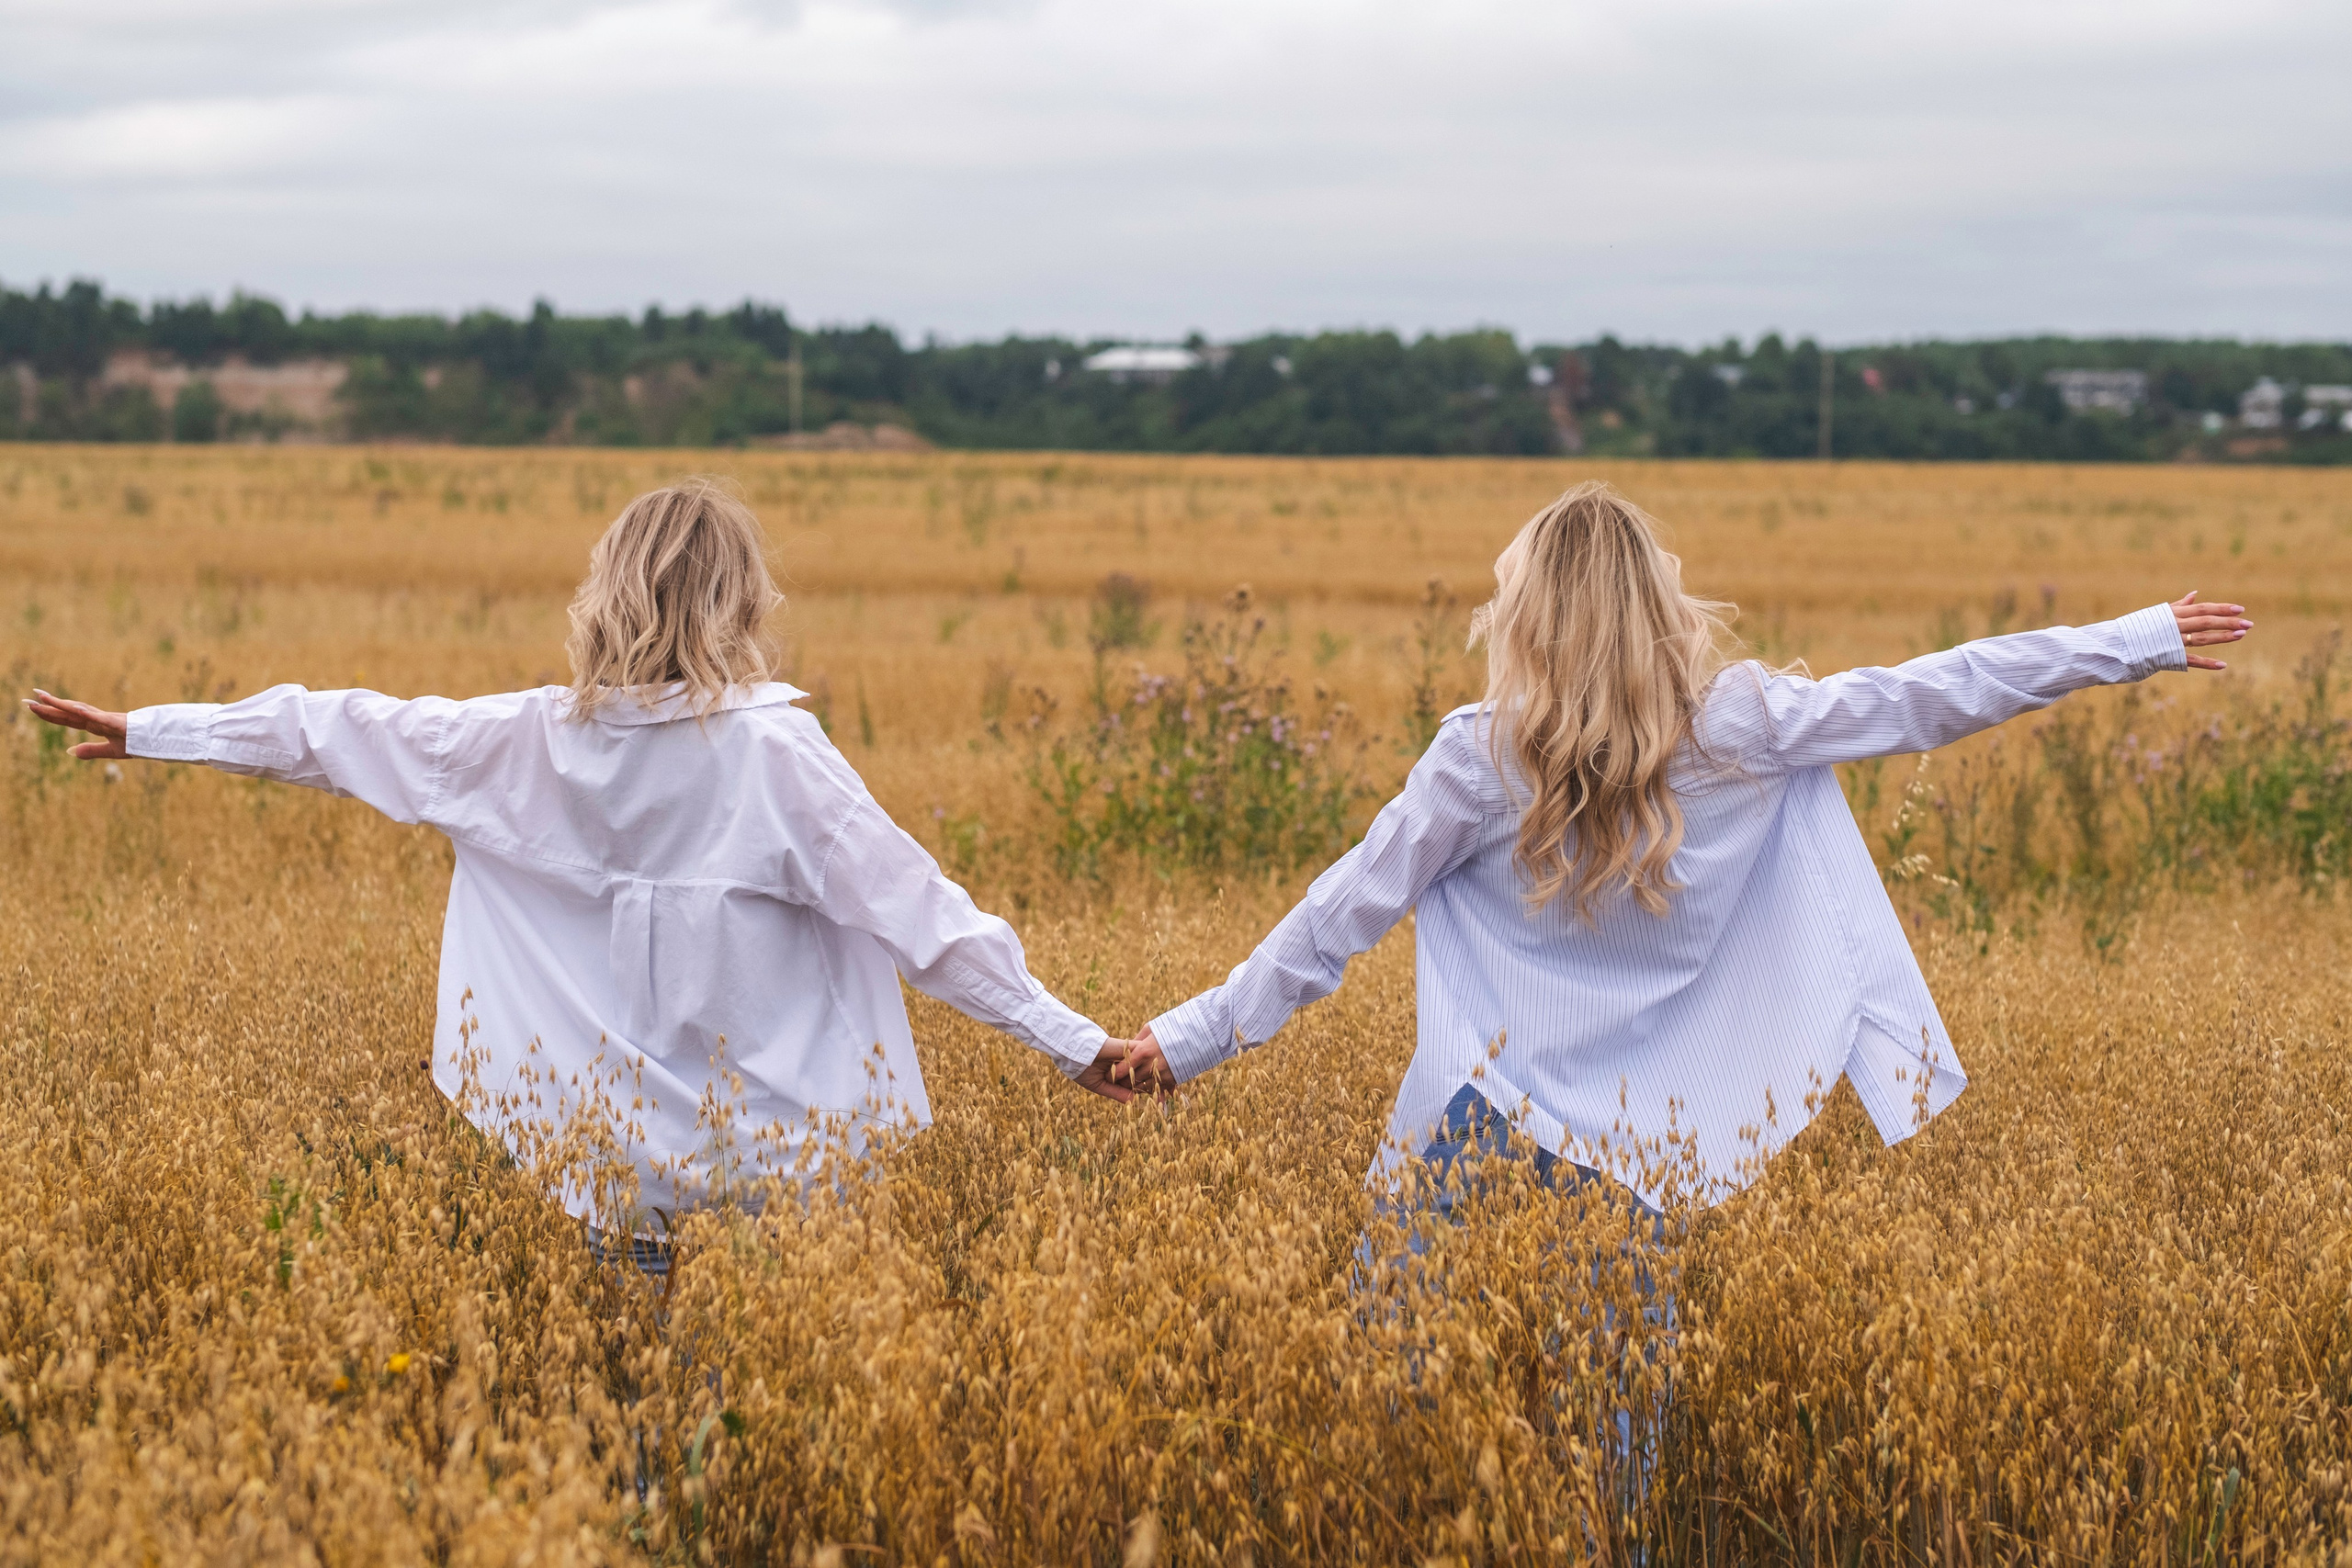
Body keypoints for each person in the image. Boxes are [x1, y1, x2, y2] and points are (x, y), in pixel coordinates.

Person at [28, 479, 1135, 1269]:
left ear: (607, 595)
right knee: (766, 1452)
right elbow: (927, 924)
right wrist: (1075, 1043)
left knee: (638, 1448)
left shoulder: (528, 742)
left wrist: (159, 730)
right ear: (742, 604)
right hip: (789, 1188)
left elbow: (336, 730)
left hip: (614, 1181)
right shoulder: (775, 755)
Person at [1113, 479, 2250, 1219]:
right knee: (1608, 1473)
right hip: (1639, 1170)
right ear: (1655, 607)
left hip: (1468, 1141)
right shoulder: (1739, 729)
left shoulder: (1478, 759)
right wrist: (2135, 639)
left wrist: (1189, 1041)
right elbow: (1930, 695)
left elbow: (1334, 919)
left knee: (1403, 1450)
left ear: (1528, 620)